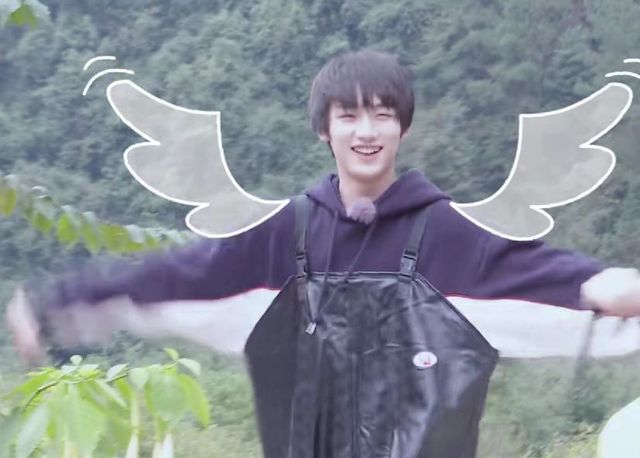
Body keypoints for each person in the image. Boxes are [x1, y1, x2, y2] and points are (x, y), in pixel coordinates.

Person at [6, 50, 640, 458]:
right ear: (323, 128)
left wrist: (604, 286)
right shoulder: (286, 233)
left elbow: (547, 275)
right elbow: (182, 274)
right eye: (349, 116)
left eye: (382, 115)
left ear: (403, 127)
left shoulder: (450, 233)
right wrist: (57, 301)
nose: (366, 131)